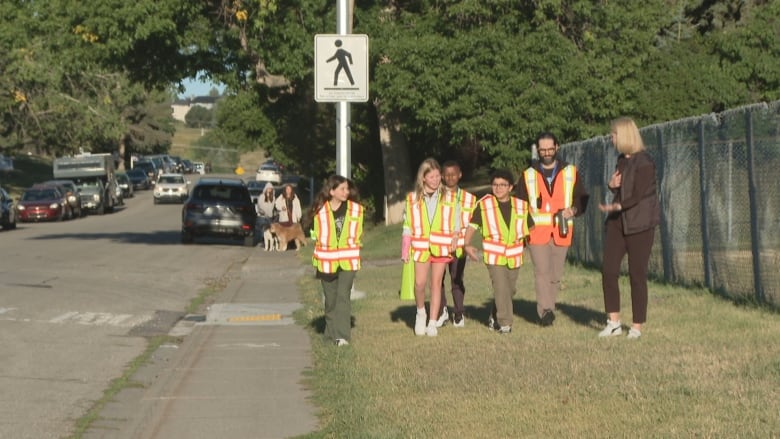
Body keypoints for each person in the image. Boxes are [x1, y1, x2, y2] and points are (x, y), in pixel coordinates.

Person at [516, 132, 589, 327]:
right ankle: (544, 312)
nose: (546, 153)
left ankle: (550, 307)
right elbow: (520, 205)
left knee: (555, 275)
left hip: (562, 231)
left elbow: (581, 198)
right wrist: (522, 232)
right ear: (537, 150)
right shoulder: (528, 175)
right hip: (536, 233)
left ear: (557, 147)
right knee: (542, 272)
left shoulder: (571, 172)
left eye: (550, 149)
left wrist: (573, 210)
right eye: (542, 149)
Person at [598, 117, 661, 339]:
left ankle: (636, 326)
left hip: (640, 224)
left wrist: (617, 204)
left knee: (637, 275)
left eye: (613, 135)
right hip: (617, 223)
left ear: (624, 135)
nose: (611, 138)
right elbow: (619, 188)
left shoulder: (645, 162)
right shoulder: (621, 161)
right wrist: (610, 185)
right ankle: (613, 322)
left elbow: (638, 195)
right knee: (609, 270)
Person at [464, 169, 532, 334]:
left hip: (514, 256)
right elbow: (472, 227)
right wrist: (467, 244)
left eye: (503, 185)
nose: (499, 188)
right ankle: (505, 324)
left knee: (509, 290)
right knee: (501, 288)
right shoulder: (484, 206)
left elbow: (530, 228)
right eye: (495, 184)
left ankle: (495, 314)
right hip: (494, 256)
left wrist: (531, 247)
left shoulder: (522, 206)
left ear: (510, 187)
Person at [401, 158, 460, 337]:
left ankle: (432, 322)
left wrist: (456, 236)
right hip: (420, 247)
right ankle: (421, 312)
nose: (435, 180)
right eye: (431, 177)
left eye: (437, 176)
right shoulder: (412, 199)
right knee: (419, 284)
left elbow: (456, 220)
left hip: (441, 246)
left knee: (436, 284)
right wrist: (405, 247)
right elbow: (407, 225)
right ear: (423, 178)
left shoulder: (449, 197)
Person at [309, 175, 365, 346]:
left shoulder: (356, 209)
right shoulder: (319, 211)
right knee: (330, 300)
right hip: (327, 262)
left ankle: (342, 336)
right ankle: (330, 335)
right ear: (331, 191)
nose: (346, 192)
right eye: (342, 189)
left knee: (343, 296)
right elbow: (315, 234)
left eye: (347, 188)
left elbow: (358, 233)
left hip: (348, 260)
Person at [435, 160, 477, 328]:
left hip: (459, 247)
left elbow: (474, 223)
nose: (450, 177)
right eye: (446, 174)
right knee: (438, 280)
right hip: (439, 245)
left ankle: (459, 313)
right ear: (442, 176)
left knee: (457, 279)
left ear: (460, 175)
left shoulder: (470, 199)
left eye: (454, 173)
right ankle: (441, 310)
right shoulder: (435, 196)